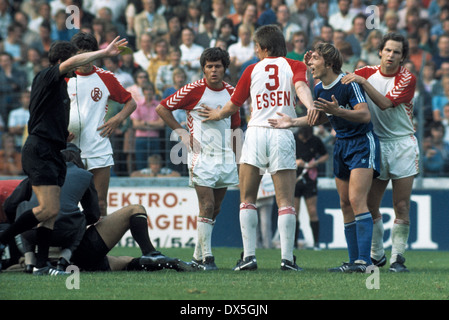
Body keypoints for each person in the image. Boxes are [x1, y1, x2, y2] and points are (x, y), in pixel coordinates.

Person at [0, 34, 129, 275]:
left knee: (52, 211)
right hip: (39, 149)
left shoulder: (61, 86)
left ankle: (40, 264)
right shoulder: (47, 76)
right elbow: (68, 66)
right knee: (47, 209)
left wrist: (62, 134)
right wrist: (104, 53)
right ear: (61, 60)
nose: (77, 63)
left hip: (54, 150)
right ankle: (4, 238)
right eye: (73, 58)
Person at [200, 25, 315, 271]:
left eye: (257, 46)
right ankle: (286, 259)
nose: (256, 50)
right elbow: (301, 88)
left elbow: (233, 105)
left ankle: (249, 257)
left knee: (247, 199)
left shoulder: (251, 69)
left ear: (265, 47)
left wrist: (216, 114)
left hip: (255, 132)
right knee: (286, 201)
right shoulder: (295, 66)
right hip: (282, 132)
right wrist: (310, 106)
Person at [268, 42, 380, 273]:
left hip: (361, 144)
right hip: (342, 146)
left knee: (357, 200)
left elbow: (364, 115)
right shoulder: (319, 89)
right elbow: (318, 118)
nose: (310, 64)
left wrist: (339, 111)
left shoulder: (348, 82)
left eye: (315, 59)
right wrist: (292, 122)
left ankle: (365, 262)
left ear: (329, 63)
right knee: (344, 203)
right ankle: (353, 261)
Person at [3, 143, 188, 273]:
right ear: (77, 160)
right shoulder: (83, 175)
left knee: (27, 214)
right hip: (76, 251)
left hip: (35, 247)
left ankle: (33, 262)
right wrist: (74, 223)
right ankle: (151, 254)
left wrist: (20, 228)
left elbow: (10, 205)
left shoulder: (36, 175)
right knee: (133, 214)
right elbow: (93, 214)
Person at [156, 47, 240, 270]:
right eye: (209, 66)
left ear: (224, 68)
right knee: (207, 204)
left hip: (225, 157)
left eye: (218, 66)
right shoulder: (193, 89)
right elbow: (162, 107)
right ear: (203, 68)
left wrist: (237, 156)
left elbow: (236, 126)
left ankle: (196, 256)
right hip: (200, 156)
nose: (214, 70)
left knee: (216, 209)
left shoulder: (233, 92)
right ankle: (208, 259)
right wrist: (182, 133)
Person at [341, 32, 418, 272]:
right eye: (388, 50)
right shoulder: (365, 72)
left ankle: (397, 258)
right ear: (380, 52)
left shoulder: (407, 78)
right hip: (376, 143)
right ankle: (376, 254)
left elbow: (385, 103)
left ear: (402, 56)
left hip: (402, 144)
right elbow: (341, 83)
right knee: (370, 204)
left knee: (401, 204)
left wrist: (363, 83)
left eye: (397, 52)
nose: (391, 55)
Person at [67, 32, 137, 217]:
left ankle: (98, 246)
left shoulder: (105, 77)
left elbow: (131, 103)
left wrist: (118, 119)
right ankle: (70, 245)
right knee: (68, 204)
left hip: (98, 146)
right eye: (81, 53)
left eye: (89, 53)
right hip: (69, 148)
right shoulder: (64, 78)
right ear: (73, 55)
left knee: (100, 204)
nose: (86, 59)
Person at [293, 126, 329, 251]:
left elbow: (325, 155)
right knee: (294, 212)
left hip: (310, 179)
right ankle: (294, 244)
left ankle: (316, 243)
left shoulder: (315, 140)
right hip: (295, 179)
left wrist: (316, 162)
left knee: (312, 211)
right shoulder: (293, 138)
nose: (304, 140)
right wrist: (296, 161)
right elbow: (283, 155)